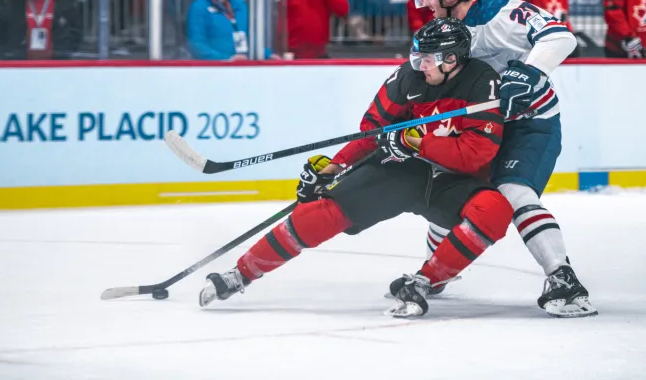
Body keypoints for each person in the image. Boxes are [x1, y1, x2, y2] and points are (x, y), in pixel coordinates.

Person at [199, 18, 514, 318]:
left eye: (429, 59)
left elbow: (474, 154)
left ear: (453, 59)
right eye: (420, 57)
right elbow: (371, 132)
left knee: (494, 210)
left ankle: (424, 281)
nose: (422, 66)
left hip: (453, 180)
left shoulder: (481, 82)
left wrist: (417, 142)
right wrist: (334, 169)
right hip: (403, 171)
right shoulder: (408, 78)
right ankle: (240, 273)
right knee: (323, 211)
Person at [413, 0, 596, 317]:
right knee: (447, 192)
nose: (426, 3)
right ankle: (437, 271)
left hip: (531, 122)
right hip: (484, 128)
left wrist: (529, 71)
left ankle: (563, 278)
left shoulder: (499, 12)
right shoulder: (439, 31)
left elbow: (560, 35)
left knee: (514, 192)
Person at [187, 0, 259, 61]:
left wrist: (266, 54)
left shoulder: (240, 4)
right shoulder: (199, 7)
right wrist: (225, 59)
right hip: (214, 66)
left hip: (243, 62)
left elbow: (250, 35)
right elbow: (196, 42)